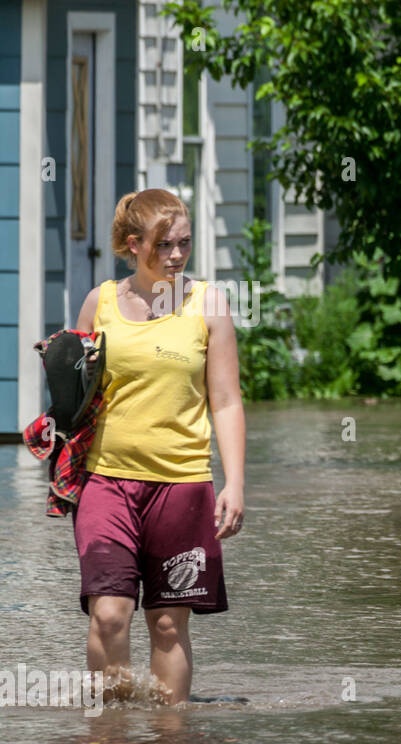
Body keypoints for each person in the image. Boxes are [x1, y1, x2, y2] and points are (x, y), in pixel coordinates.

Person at [72, 188, 245, 705]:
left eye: (184, 244)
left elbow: (227, 400)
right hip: (107, 483)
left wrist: (234, 482)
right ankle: (113, 741)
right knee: (108, 615)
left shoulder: (207, 303)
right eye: (164, 245)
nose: (176, 255)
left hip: (182, 485)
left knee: (168, 624)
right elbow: (74, 399)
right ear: (132, 244)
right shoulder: (99, 303)